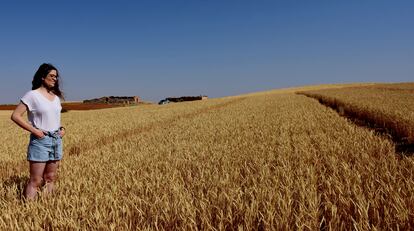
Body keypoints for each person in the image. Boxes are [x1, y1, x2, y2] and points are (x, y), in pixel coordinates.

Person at [11, 63, 66, 200]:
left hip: (56, 140)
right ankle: (28, 211)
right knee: (36, 180)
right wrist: (35, 131)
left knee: (51, 177)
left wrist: (61, 128)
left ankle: (47, 208)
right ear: (42, 77)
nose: (55, 79)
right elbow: (15, 116)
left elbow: (54, 118)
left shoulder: (55, 97)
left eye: (56, 77)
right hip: (41, 141)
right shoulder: (32, 95)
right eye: (51, 76)